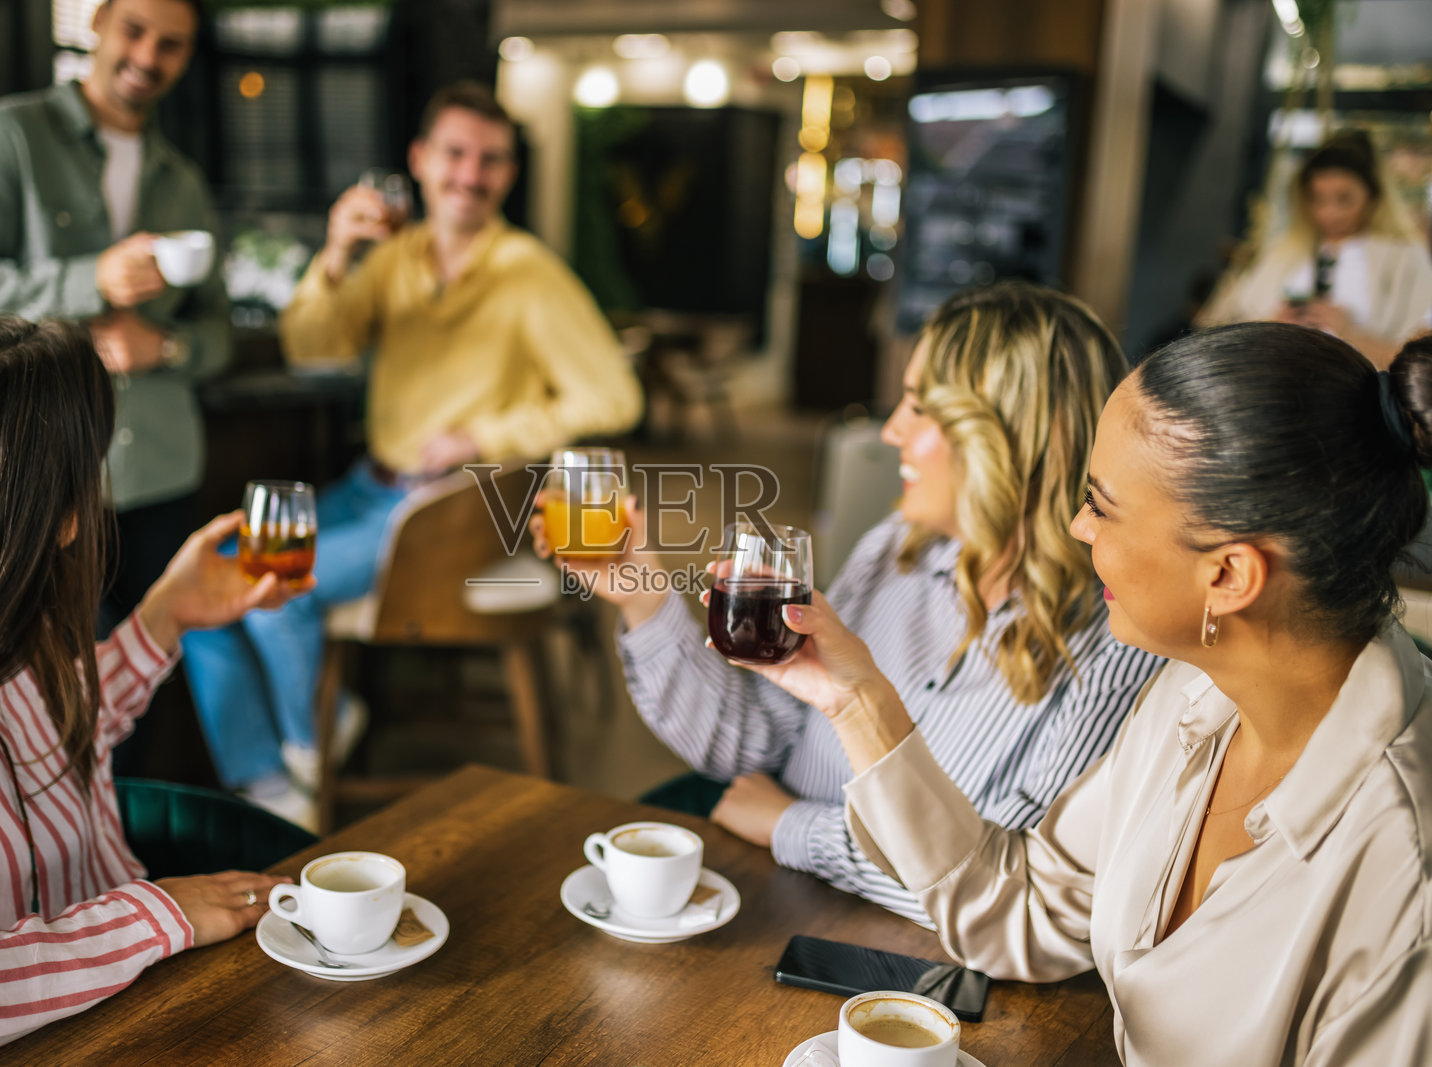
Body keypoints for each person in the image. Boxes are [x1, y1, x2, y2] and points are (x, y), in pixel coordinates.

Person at [770, 324, 1432, 1064]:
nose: (1077, 526)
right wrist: (855, 699)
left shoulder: (1406, 882)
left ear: (1229, 575)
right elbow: (1025, 906)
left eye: (1102, 505)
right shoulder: (1189, 694)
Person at [537, 282, 1161, 928]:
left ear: (1007, 436)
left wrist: (791, 825)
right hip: (776, 896)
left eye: (920, 407)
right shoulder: (896, 548)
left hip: (906, 954)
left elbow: (1003, 894)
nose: (891, 429)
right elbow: (752, 743)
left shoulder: (1115, 640)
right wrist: (642, 595)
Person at [0, 317, 302, 1066]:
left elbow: (46, 739)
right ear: (60, 518)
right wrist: (153, 915)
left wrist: (165, 616)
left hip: (117, 1003)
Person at [179, 81, 642, 828]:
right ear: (420, 160)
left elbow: (616, 398)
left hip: (455, 509)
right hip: (370, 490)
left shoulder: (530, 273)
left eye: (491, 159)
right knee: (211, 582)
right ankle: (276, 771)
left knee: (271, 587)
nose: (471, 174)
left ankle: (304, 764)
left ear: (510, 172)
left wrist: (484, 437)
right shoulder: (393, 259)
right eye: (456, 153)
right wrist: (336, 252)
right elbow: (314, 347)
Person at [0, 0, 229, 638]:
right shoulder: (6, 135)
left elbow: (218, 332)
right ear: (97, 23)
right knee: (54, 673)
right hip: (42, 470)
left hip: (163, 470)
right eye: (134, 31)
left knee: (155, 664)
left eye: (171, 44)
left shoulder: (184, 180)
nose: (147, 57)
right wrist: (89, 279)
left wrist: (165, 347)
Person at [1199, 130, 1432, 369]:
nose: (1328, 212)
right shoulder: (1283, 252)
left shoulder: (1403, 259)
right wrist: (1272, 326)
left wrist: (1351, 333)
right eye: (1316, 198)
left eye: (1344, 199)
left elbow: (1422, 364)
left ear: (1372, 196)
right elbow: (1218, 328)